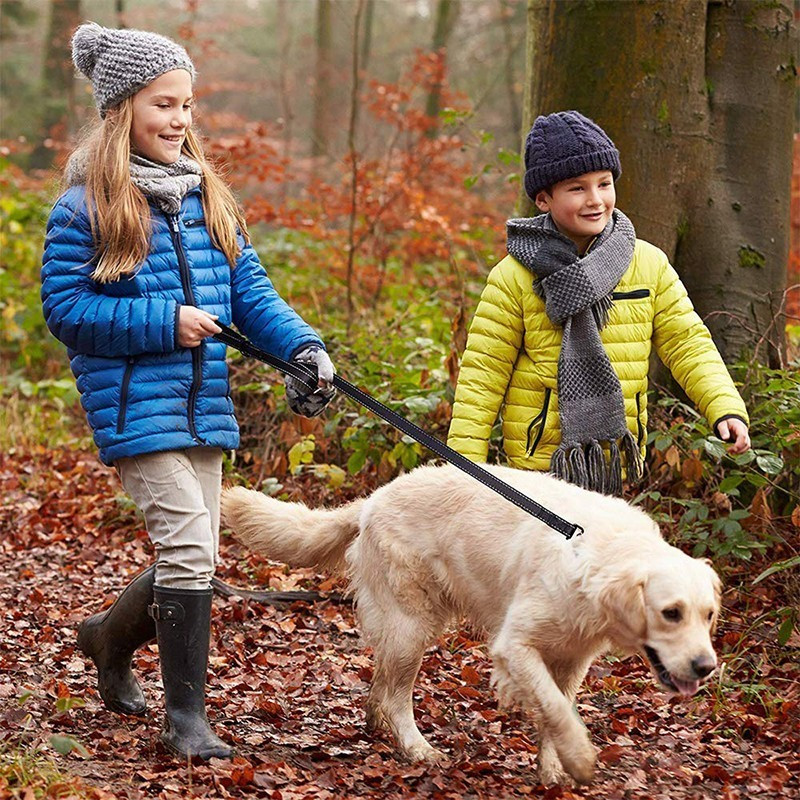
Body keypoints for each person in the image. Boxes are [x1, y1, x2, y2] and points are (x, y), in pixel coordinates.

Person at [40, 22, 335, 760]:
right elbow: (66, 311)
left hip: (203, 403)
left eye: (187, 105)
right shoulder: (85, 206)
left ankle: (106, 640)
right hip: (133, 404)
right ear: (121, 111)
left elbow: (251, 292)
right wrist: (165, 321)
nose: (180, 120)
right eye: (163, 104)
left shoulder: (208, 198)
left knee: (194, 553)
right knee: (187, 547)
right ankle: (186, 721)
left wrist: (303, 348)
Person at [447, 110, 749, 495]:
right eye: (577, 188)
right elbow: (483, 375)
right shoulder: (514, 276)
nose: (595, 200)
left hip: (615, 460)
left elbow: (687, 342)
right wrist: (464, 471)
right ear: (543, 199)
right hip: (539, 469)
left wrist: (724, 406)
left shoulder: (647, 264)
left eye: (604, 184)